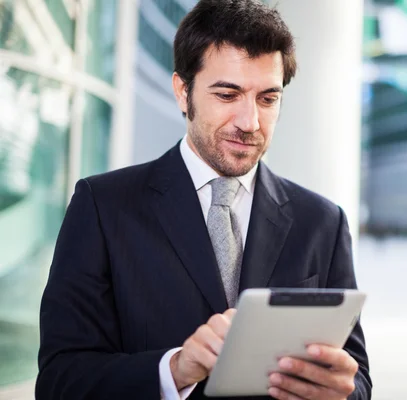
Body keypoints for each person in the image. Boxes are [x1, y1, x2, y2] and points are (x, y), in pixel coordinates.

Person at [35, 0, 372, 399]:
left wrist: (343, 392)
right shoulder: (103, 207)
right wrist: (174, 370)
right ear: (183, 92)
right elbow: (60, 381)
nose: (250, 122)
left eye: (268, 99)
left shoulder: (322, 222)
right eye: (228, 95)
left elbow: (357, 380)